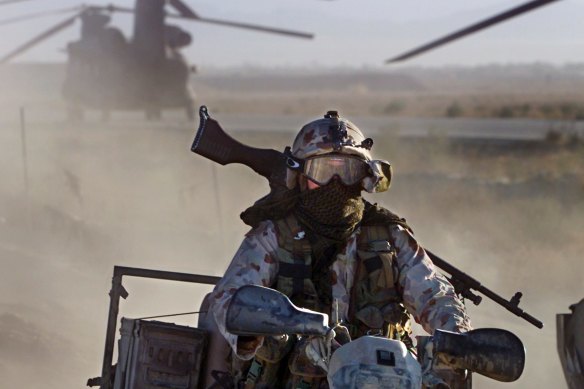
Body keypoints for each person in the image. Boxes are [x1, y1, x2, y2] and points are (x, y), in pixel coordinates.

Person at [202, 111, 472, 388]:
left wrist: (456, 339)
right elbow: (229, 299)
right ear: (300, 176)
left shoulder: (389, 235)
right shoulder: (272, 235)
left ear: (366, 178)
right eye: (322, 171)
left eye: (347, 171)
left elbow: (434, 294)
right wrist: (257, 326)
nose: (335, 183)